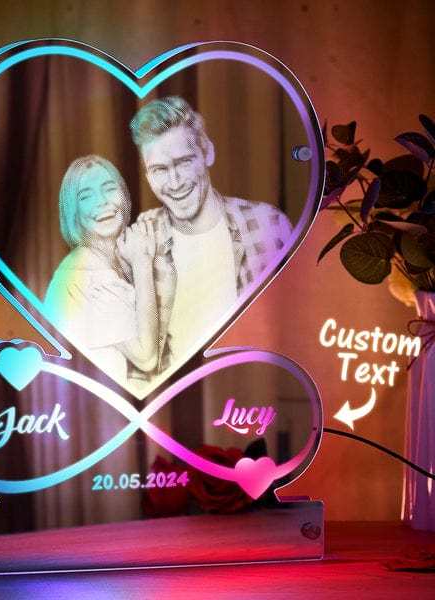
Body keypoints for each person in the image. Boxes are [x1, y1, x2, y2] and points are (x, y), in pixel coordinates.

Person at [129, 96, 293, 364]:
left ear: (208, 154)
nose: (175, 182)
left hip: (252, 380)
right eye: (159, 169)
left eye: (184, 162)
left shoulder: (269, 225)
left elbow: (296, 329)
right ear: (148, 176)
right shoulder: (142, 240)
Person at [44, 155, 159, 386]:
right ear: (73, 211)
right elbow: (147, 358)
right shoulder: (87, 273)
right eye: (86, 196)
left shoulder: (108, 262)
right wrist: (142, 263)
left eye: (109, 188)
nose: (102, 202)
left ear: (124, 196)